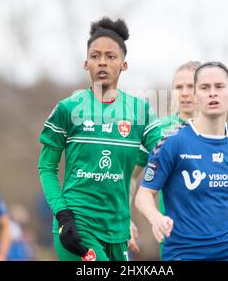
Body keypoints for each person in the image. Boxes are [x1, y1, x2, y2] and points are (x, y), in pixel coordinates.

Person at [38, 17, 161, 261]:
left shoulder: (140, 111)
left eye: (110, 56)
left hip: (118, 231)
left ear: (124, 65)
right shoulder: (68, 108)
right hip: (78, 226)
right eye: (95, 56)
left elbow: (165, 152)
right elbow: (46, 167)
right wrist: (63, 215)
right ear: (86, 64)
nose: (102, 62)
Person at [135, 61, 228, 261]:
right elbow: (144, 195)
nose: (212, 93)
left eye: (219, 87)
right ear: (196, 97)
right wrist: (156, 218)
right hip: (185, 254)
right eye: (205, 88)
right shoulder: (172, 142)